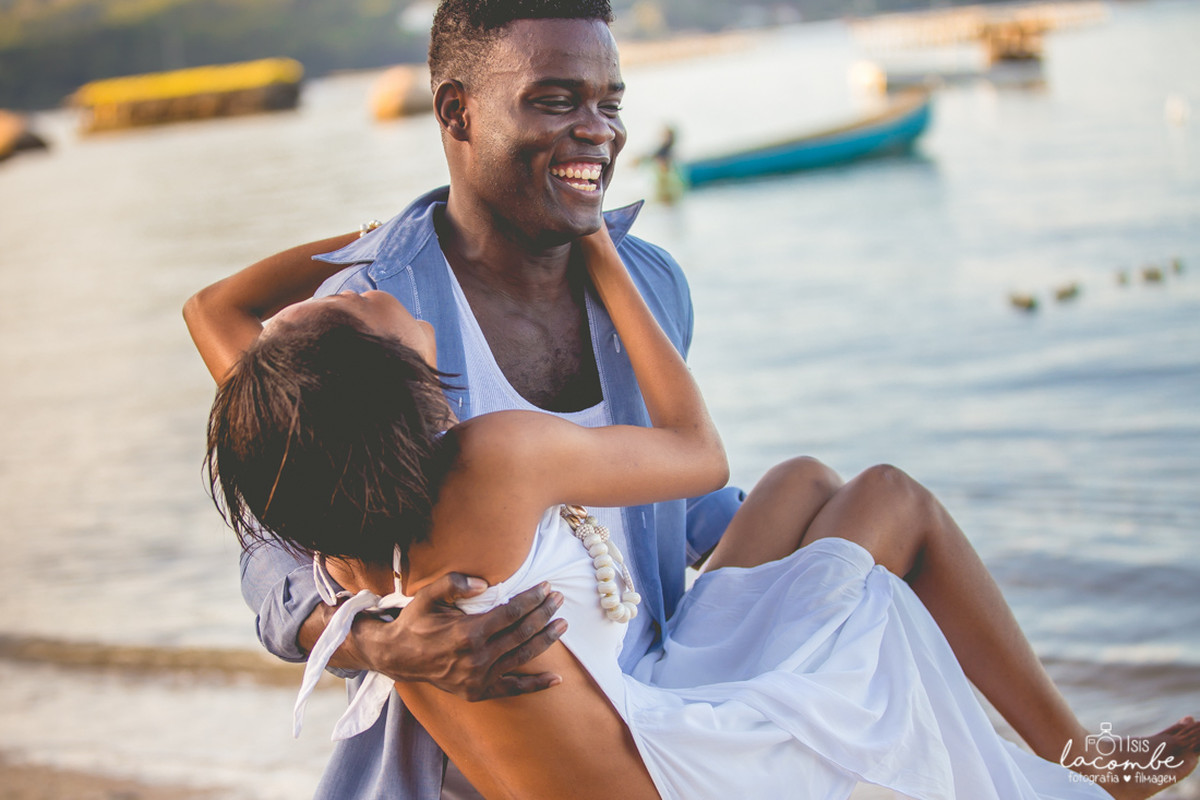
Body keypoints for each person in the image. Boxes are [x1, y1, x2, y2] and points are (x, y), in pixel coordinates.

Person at [181, 1, 1196, 797]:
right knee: (882, 508)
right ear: (457, 114)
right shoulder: (366, 316)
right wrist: (373, 637)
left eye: (609, 100)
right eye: (553, 99)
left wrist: (799, 547)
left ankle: (1080, 754)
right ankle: (1072, 766)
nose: (596, 129)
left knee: (811, 483)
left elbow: (665, 511)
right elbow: (279, 545)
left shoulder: (651, 282)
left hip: (648, 664)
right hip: (527, 747)